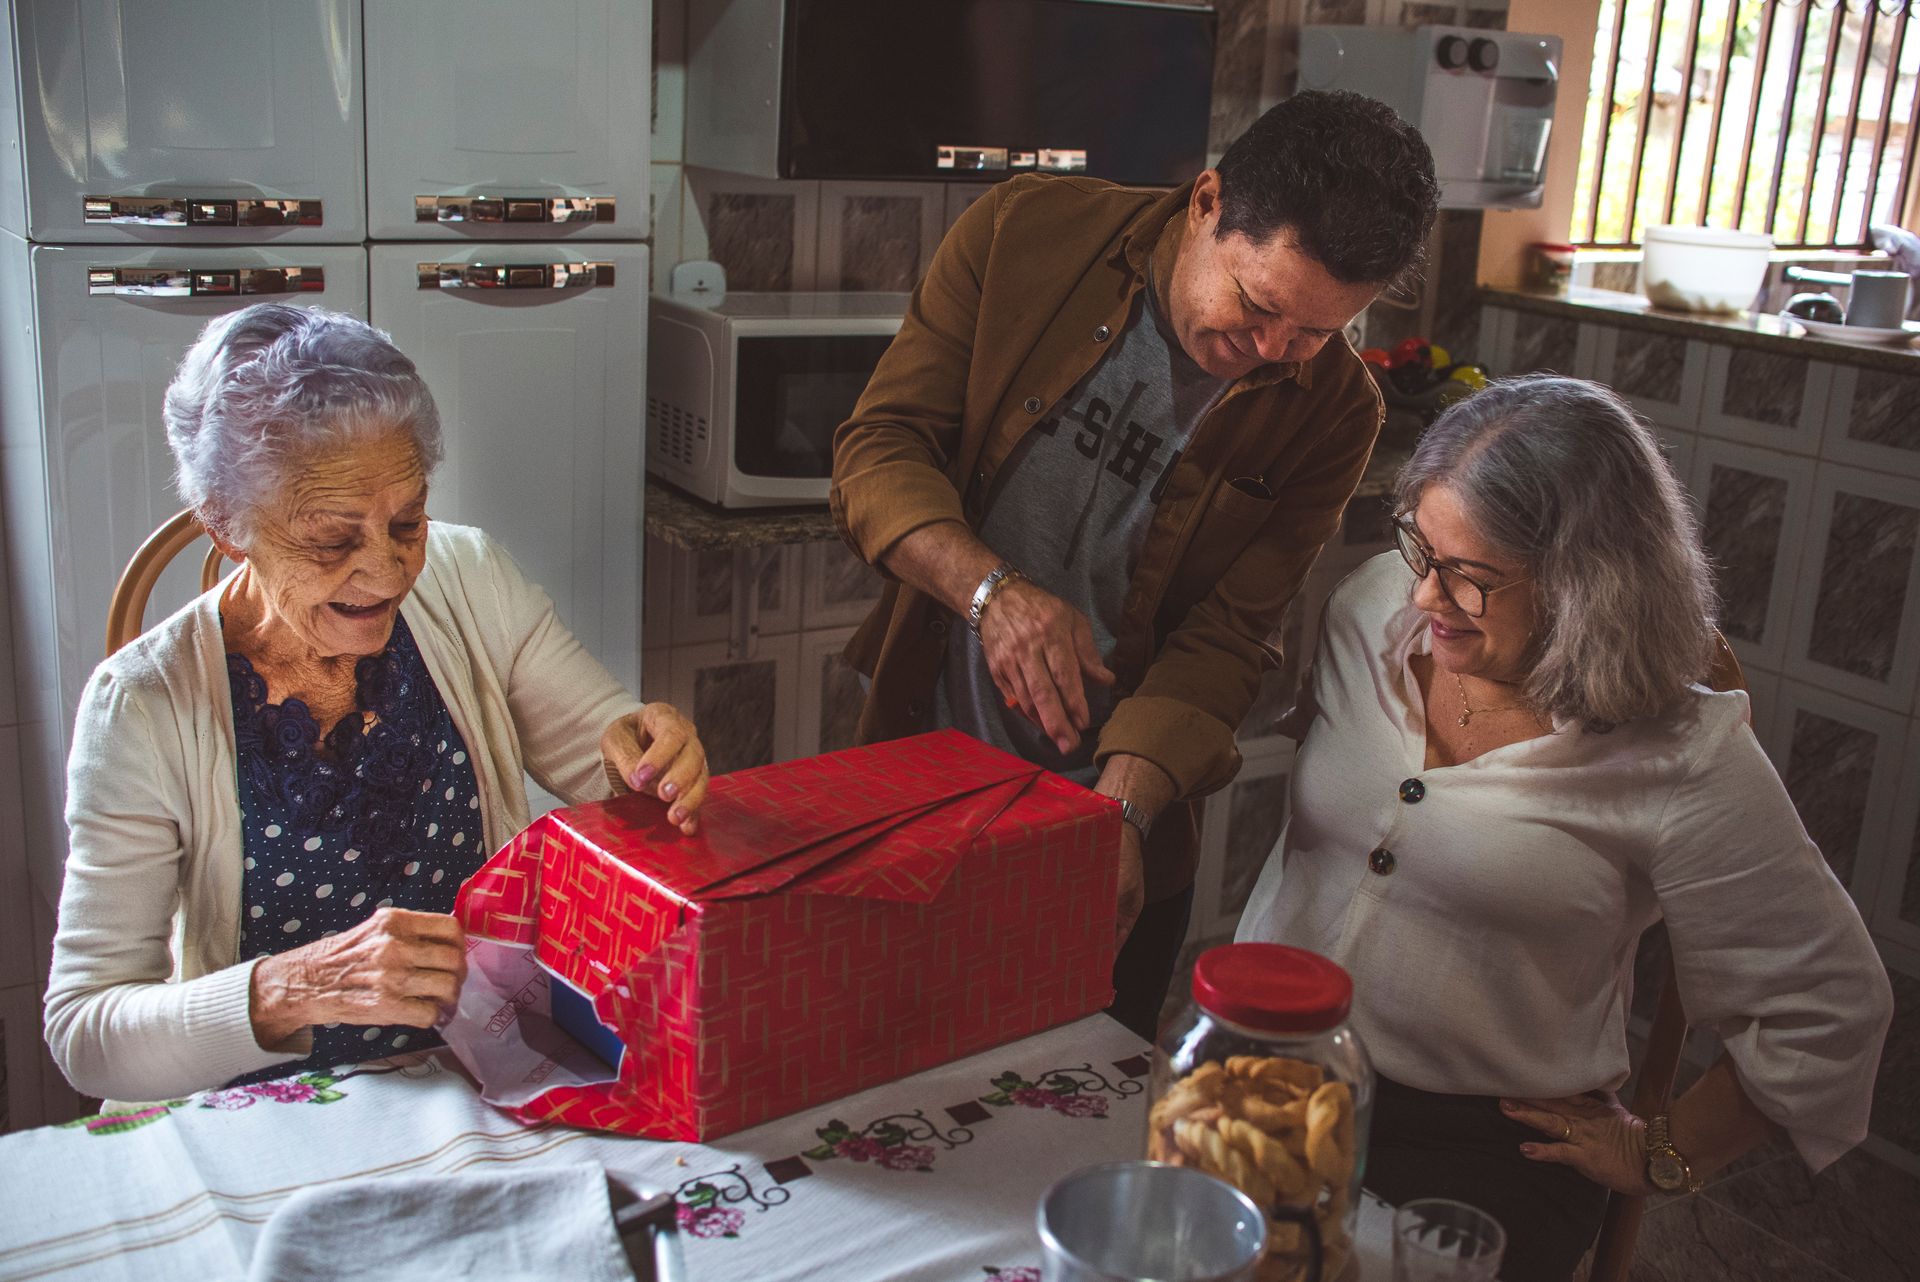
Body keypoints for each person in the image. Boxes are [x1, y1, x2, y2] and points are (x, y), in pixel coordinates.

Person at [1236, 375, 1893, 1280]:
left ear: (1594, 583)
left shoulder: (1680, 753)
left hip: (1475, 1143)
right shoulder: (1371, 609)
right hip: (1267, 1065)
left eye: (1473, 576)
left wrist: (1662, 1151)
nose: (1427, 596)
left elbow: (1831, 1008)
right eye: (1420, 548)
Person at [830, 91, 1440, 1038]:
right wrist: (994, 594)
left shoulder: (1336, 411)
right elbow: (878, 452)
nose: (1272, 352)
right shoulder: (1025, 234)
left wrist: (1115, 821)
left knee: (1063, 1134)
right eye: (1259, 305)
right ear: (1207, 203)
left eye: (1318, 333)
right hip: (919, 780)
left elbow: (1230, 634)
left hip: (1108, 832)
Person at [43, 304, 709, 1102]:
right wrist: (289, 989)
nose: (388, 572)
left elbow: (605, 769)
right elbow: (85, 1032)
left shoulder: (469, 577)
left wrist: (649, 758)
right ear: (226, 525)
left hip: (489, 1076)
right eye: (332, 539)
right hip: (270, 1114)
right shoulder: (141, 706)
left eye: (407, 522)